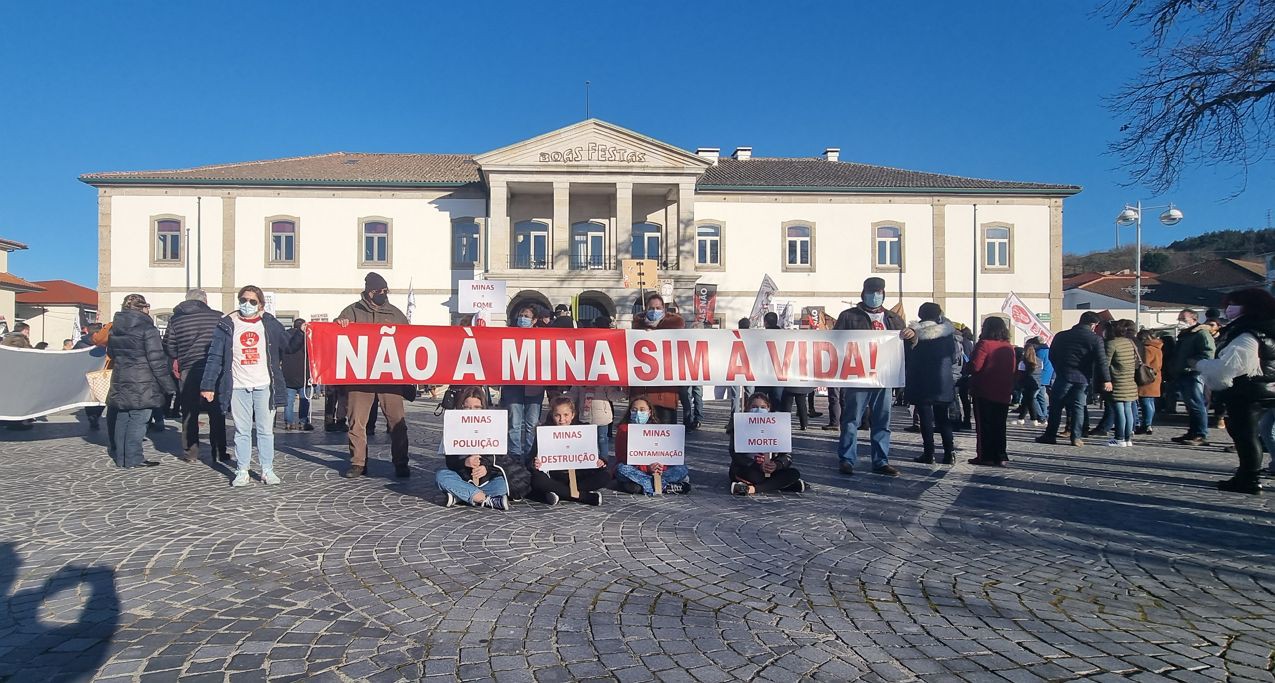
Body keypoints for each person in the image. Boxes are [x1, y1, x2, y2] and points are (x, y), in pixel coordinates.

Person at [200, 285, 305, 487]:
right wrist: (208, 385)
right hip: (238, 385)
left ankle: (267, 469)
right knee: (242, 431)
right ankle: (242, 470)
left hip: (264, 385)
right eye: (243, 300)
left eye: (252, 301)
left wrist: (300, 333)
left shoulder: (270, 324)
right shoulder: (227, 324)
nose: (247, 304)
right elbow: (215, 357)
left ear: (260, 305)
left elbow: (288, 346)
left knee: (265, 431)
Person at [334, 273, 413, 478]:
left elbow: (409, 342)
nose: (384, 294)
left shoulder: (396, 314)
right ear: (370, 292)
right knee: (356, 422)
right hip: (359, 377)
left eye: (386, 291)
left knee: (397, 422)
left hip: (389, 378)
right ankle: (358, 462)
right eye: (380, 291)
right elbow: (335, 333)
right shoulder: (352, 311)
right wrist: (339, 323)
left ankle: (401, 462)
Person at [1197, 288, 1275, 494]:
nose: (1229, 309)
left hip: (1248, 390)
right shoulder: (1266, 327)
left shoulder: (1248, 332)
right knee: (1253, 434)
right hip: (1266, 388)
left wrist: (1202, 365)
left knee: (1246, 436)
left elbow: (1231, 366)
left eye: (1233, 304)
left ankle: (1249, 478)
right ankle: (1247, 475)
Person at [833, 277, 911, 476]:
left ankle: (881, 461)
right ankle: (847, 459)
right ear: (863, 292)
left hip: (884, 377)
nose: (875, 296)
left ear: (884, 294)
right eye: (871, 291)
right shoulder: (848, 316)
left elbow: (906, 347)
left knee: (882, 421)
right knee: (851, 419)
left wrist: (913, 336)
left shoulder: (893, 318)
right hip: (857, 377)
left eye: (879, 292)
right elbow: (834, 342)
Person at [106, 294, 175, 468]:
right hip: (143, 380)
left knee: (122, 417)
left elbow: (112, 353)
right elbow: (157, 359)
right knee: (139, 419)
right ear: (143, 308)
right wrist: (168, 386)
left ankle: (121, 458)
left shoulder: (115, 328)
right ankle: (134, 458)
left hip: (121, 377)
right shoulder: (147, 329)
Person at [435, 387, 530, 510]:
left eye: (476, 407)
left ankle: (461, 496)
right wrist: (464, 462)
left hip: (488, 479)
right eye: (467, 407)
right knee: (441, 476)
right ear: (461, 407)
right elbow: (450, 462)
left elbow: (501, 458)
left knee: (504, 484)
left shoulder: (493, 426)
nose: (472, 411)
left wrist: (486, 468)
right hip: (464, 478)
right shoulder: (454, 427)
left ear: (483, 407)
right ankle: (486, 499)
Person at [162, 288, 228, 463]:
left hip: (188, 370)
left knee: (190, 413)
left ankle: (190, 453)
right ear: (205, 301)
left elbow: (169, 347)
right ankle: (219, 451)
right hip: (213, 369)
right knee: (217, 412)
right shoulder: (218, 317)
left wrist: (179, 356)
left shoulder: (175, 320)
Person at [1037, 311, 1111, 447]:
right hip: (1082, 377)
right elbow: (1101, 361)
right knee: (1078, 407)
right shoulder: (1095, 339)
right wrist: (1106, 379)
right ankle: (1076, 437)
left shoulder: (1061, 336)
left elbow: (1052, 355)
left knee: (1056, 407)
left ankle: (1050, 435)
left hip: (1063, 375)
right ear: (1093, 324)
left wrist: (1060, 369)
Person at [528, 396, 609, 506]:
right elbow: (530, 459)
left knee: (605, 475)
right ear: (552, 415)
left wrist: (599, 462)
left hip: (578, 476)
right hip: (554, 476)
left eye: (566, 415)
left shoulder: (582, 430)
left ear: (573, 415)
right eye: (557, 415)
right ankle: (583, 497)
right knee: (536, 479)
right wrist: (535, 462)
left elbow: (590, 455)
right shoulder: (544, 432)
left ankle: (559, 493)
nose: (562, 420)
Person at [905, 303, 959, 465]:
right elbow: (954, 357)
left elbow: (907, 357)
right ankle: (950, 453)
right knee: (943, 419)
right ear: (938, 315)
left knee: (926, 420)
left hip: (921, 382)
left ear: (920, 314)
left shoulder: (914, 334)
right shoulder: (947, 334)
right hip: (942, 382)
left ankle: (929, 453)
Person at [729, 392, 807, 495]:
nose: (758, 410)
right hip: (747, 469)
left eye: (762, 407)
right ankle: (786, 485)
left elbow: (787, 456)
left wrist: (777, 465)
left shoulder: (778, 426)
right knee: (756, 477)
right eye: (754, 407)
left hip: (771, 469)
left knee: (794, 473)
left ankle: (751, 489)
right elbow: (735, 454)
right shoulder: (739, 426)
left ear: (768, 408)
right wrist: (757, 466)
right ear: (748, 408)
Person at [614, 396, 692, 495]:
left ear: (649, 412)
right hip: (637, 471)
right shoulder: (623, 430)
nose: (638, 413)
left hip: (658, 471)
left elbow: (666, 455)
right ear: (630, 412)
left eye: (642, 410)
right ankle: (664, 486)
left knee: (682, 468)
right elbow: (622, 457)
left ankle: (649, 486)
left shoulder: (657, 430)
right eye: (634, 410)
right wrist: (647, 468)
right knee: (621, 469)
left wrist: (660, 467)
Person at [501, 304, 547, 466]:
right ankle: (514, 455)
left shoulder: (542, 337)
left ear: (534, 320)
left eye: (527, 316)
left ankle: (529, 455)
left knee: (532, 423)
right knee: (514, 422)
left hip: (534, 386)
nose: (523, 319)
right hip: (513, 385)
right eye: (521, 315)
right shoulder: (509, 335)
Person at [968, 316, 1016, 466]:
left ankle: (986, 456)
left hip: (984, 390)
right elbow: (1012, 369)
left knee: (984, 426)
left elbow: (976, 366)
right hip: (1003, 391)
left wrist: (966, 367)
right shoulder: (1009, 347)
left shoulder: (984, 344)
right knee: (1000, 425)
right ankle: (1001, 455)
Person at [630, 293, 684, 424]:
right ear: (646, 309)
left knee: (665, 433)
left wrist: (657, 333)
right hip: (642, 394)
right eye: (651, 308)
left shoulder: (674, 327)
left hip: (665, 392)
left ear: (664, 309)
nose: (655, 311)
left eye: (658, 308)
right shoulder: (638, 329)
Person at [1171, 308, 1216, 446]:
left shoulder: (1201, 333)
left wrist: (1194, 363)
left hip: (1195, 373)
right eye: (1179, 319)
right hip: (1184, 372)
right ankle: (1193, 431)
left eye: (1183, 320)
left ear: (1194, 319)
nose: (1180, 322)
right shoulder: (1186, 334)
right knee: (1190, 405)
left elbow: (1208, 352)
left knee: (1197, 404)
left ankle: (1201, 434)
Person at [1103, 320, 1140, 448]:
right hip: (1129, 380)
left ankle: (1119, 438)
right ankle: (1128, 438)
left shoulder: (1111, 344)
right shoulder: (1129, 342)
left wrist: (1106, 380)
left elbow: (1105, 365)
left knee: (1119, 410)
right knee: (1128, 410)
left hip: (1117, 380)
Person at [279, 318, 314, 431]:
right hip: (303, 374)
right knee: (304, 400)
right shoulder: (306, 337)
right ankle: (303, 422)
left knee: (289, 401)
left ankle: (288, 422)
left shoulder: (284, 336)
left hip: (288, 374)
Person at [75, 322, 106, 430]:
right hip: (101, 374)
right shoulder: (103, 343)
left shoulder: (80, 344)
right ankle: (96, 416)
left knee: (89, 398)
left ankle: (92, 416)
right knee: (101, 398)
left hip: (85, 375)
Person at [1133, 329, 1164, 436]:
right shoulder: (1157, 348)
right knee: (1150, 402)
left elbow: (1144, 364)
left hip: (1146, 377)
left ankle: (1146, 425)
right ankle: (1148, 424)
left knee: (1145, 402)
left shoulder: (1147, 349)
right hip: (1155, 377)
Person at [1013, 339, 1046, 425]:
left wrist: (1019, 384)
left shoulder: (1023, 363)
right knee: (1026, 400)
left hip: (1026, 384)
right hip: (1037, 383)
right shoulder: (1040, 361)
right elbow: (1040, 372)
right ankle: (1022, 418)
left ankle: (1036, 418)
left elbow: (1020, 375)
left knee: (1030, 400)